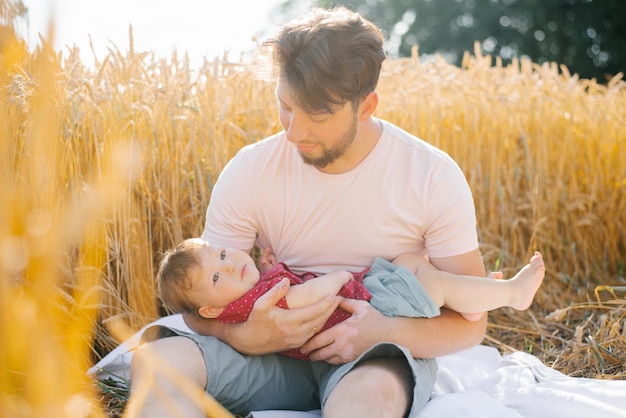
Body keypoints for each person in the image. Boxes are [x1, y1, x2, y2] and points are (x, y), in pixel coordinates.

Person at [128, 6, 500, 418]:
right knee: (160, 364)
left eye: (317, 115)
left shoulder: (431, 175)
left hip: (370, 357)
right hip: (267, 358)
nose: (293, 132)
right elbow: (200, 304)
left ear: (366, 106)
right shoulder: (251, 170)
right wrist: (250, 335)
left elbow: (471, 323)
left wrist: (386, 332)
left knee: (369, 399)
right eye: (286, 106)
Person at [156, 238, 545, 360]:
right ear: (210, 309)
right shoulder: (261, 301)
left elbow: (274, 285)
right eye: (217, 275)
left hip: (364, 294)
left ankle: (472, 300)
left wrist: (267, 265)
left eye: (223, 255)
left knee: (412, 263)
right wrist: (338, 277)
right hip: (365, 308)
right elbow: (300, 295)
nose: (230, 264)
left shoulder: (240, 302)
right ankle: (513, 292)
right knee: (435, 284)